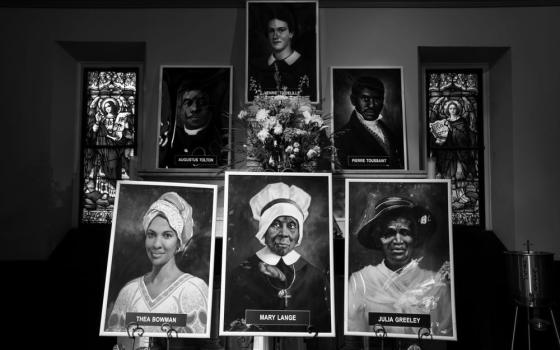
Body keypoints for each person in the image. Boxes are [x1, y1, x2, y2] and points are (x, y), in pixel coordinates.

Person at [225, 182, 330, 333]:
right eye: (276, 224)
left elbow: (322, 328)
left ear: (299, 233)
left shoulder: (314, 275)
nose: (284, 233)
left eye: (292, 225)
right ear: (264, 230)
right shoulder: (240, 273)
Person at [347, 196, 453, 336]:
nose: (398, 240)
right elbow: (355, 331)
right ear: (379, 239)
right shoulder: (361, 281)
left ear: (414, 238)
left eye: (404, 232)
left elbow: (444, 332)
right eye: (389, 233)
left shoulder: (437, 285)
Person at [106, 192, 209, 334]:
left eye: (167, 235)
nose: (156, 244)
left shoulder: (194, 290)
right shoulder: (129, 291)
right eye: (151, 234)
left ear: (179, 242)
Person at [248, 5, 316, 100]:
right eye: (271, 31)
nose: (276, 36)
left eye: (281, 30)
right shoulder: (257, 68)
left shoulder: (307, 67)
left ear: (291, 33)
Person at [334, 76, 403, 169]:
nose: (371, 105)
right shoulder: (341, 137)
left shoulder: (392, 133)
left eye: (377, 99)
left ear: (382, 101)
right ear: (353, 100)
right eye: (365, 99)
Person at [162, 81, 226, 167]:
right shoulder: (170, 140)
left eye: (202, 103)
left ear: (210, 108)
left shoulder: (220, 141)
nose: (195, 108)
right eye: (188, 103)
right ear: (180, 109)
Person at [429, 100, 475, 180]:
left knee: (459, 173)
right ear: (447, 110)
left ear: (457, 109)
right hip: (447, 149)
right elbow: (441, 135)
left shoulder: (462, 121)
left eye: (454, 108)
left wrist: (451, 128)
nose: (452, 110)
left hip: (459, 149)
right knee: (446, 170)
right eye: (450, 108)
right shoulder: (445, 121)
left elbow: (464, 136)